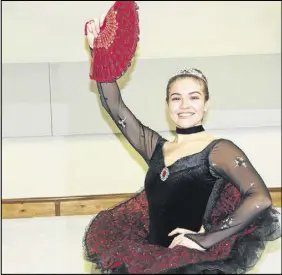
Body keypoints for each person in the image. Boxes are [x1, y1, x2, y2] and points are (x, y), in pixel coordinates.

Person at [83, 17, 281, 274]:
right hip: (149, 261)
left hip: (190, 264)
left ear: (206, 104)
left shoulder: (219, 150)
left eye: (194, 97)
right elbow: (114, 105)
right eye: (176, 98)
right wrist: (98, 52)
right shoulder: (155, 148)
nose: (185, 105)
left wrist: (206, 238)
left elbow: (260, 198)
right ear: (167, 105)